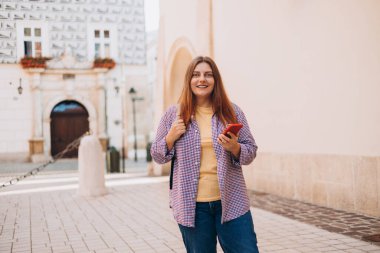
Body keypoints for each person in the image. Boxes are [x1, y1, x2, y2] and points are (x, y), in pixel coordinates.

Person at [151, 56, 259, 253]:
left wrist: (235, 147)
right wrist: (170, 137)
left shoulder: (232, 112)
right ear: (189, 80)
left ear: (215, 80)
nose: (202, 79)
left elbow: (251, 151)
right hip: (192, 207)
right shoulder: (173, 115)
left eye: (208, 75)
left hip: (232, 202)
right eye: (196, 75)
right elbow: (157, 155)